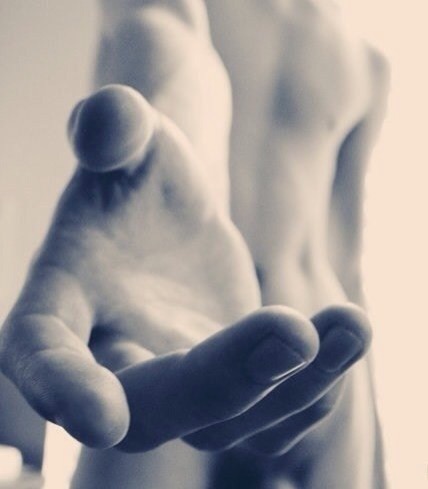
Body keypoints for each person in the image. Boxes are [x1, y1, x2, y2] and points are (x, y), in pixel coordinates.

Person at [0, 1, 389, 488]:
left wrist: (375, 455)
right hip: (170, 342)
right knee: (107, 415)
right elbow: (161, 35)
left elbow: (346, 259)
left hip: (324, 359)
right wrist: (163, 112)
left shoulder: (370, 64)